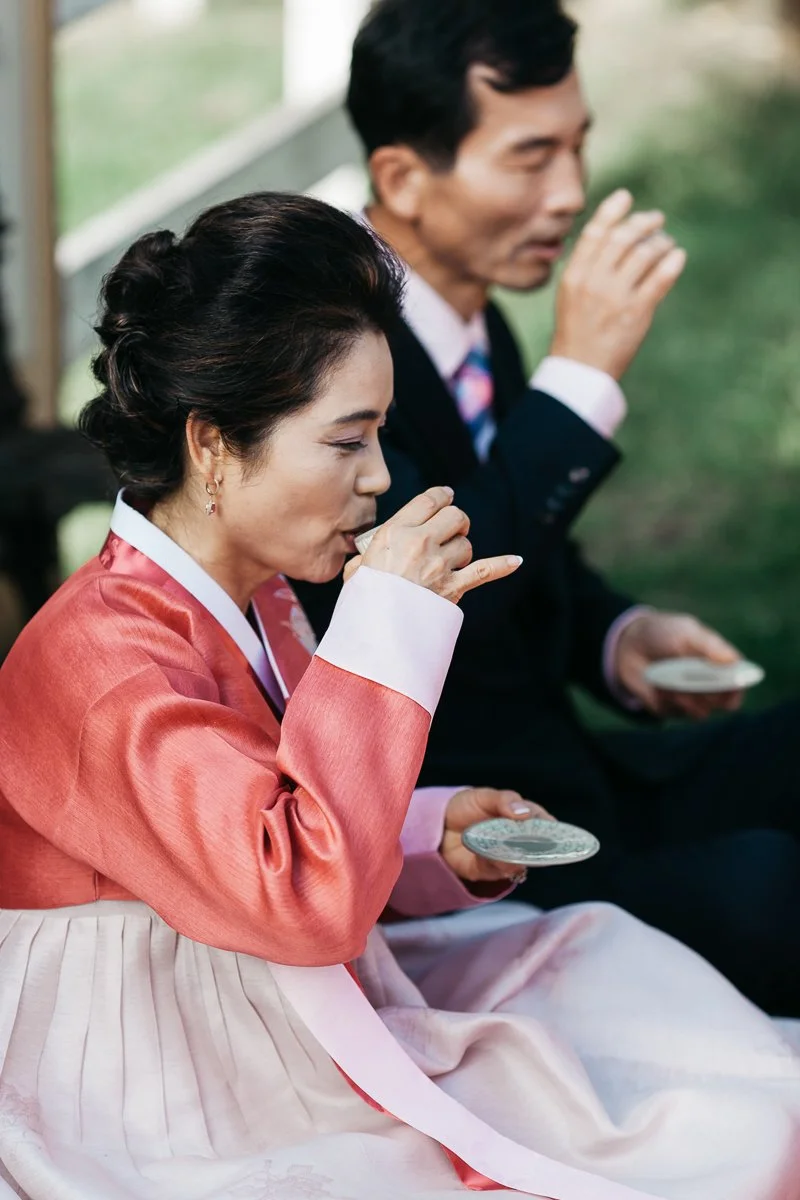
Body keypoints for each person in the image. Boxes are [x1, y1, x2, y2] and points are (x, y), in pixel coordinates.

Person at [0, 191, 798, 1200]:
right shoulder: (97, 663)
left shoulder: (263, 600)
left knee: (672, 1040)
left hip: (281, 999)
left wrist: (429, 837)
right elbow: (296, 897)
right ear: (209, 447)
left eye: (379, 435)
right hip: (157, 1070)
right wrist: (383, 627)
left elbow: (274, 825)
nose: (378, 477)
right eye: (345, 442)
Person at [292, 0, 800, 1016]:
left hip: (574, 774)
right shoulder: (331, 361)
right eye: (529, 159)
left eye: (576, 148)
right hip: (472, 855)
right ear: (400, 178)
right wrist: (577, 385)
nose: (568, 193)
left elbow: (524, 542)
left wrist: (615, 637)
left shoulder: (464, 319)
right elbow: (426, 600)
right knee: (768, 891)